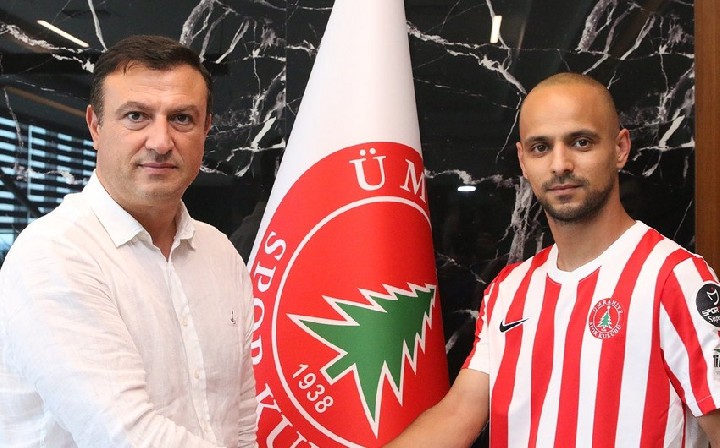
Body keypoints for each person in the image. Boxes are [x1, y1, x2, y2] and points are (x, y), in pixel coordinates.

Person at [387, 72, 720, 447]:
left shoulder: (676, 278)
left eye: (581, 142)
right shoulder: (509, 289)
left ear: (620, 148)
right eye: (541, 147)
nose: (560, 164)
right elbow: (458, 413)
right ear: (523, 160)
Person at [0, 35, 257, 447]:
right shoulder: (53, 255)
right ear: (96, 126)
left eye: (182, 118)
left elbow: (240, 423)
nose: (160, 142)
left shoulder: (219, 253)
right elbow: (127, 437)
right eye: (136, 116)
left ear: (206, 129)